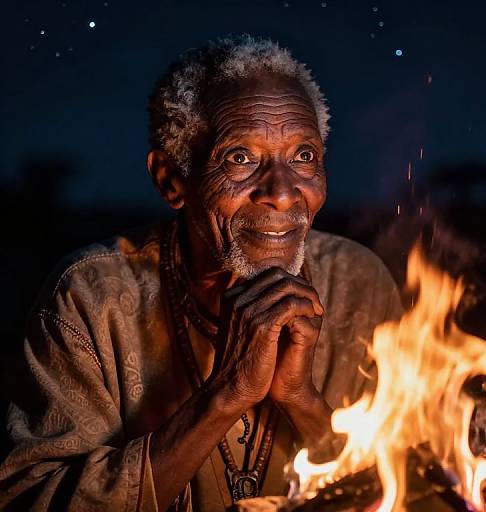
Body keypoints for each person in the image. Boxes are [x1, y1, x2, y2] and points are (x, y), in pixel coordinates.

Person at [0, 36, 402, 511]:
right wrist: (224, 397)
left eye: (304, 156)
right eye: (240, 158)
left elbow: (399, 484)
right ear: (171, 180)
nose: (282, 192)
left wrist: (300, 398)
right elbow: (29, 499)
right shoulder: (90, 296)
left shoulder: (358, 281)